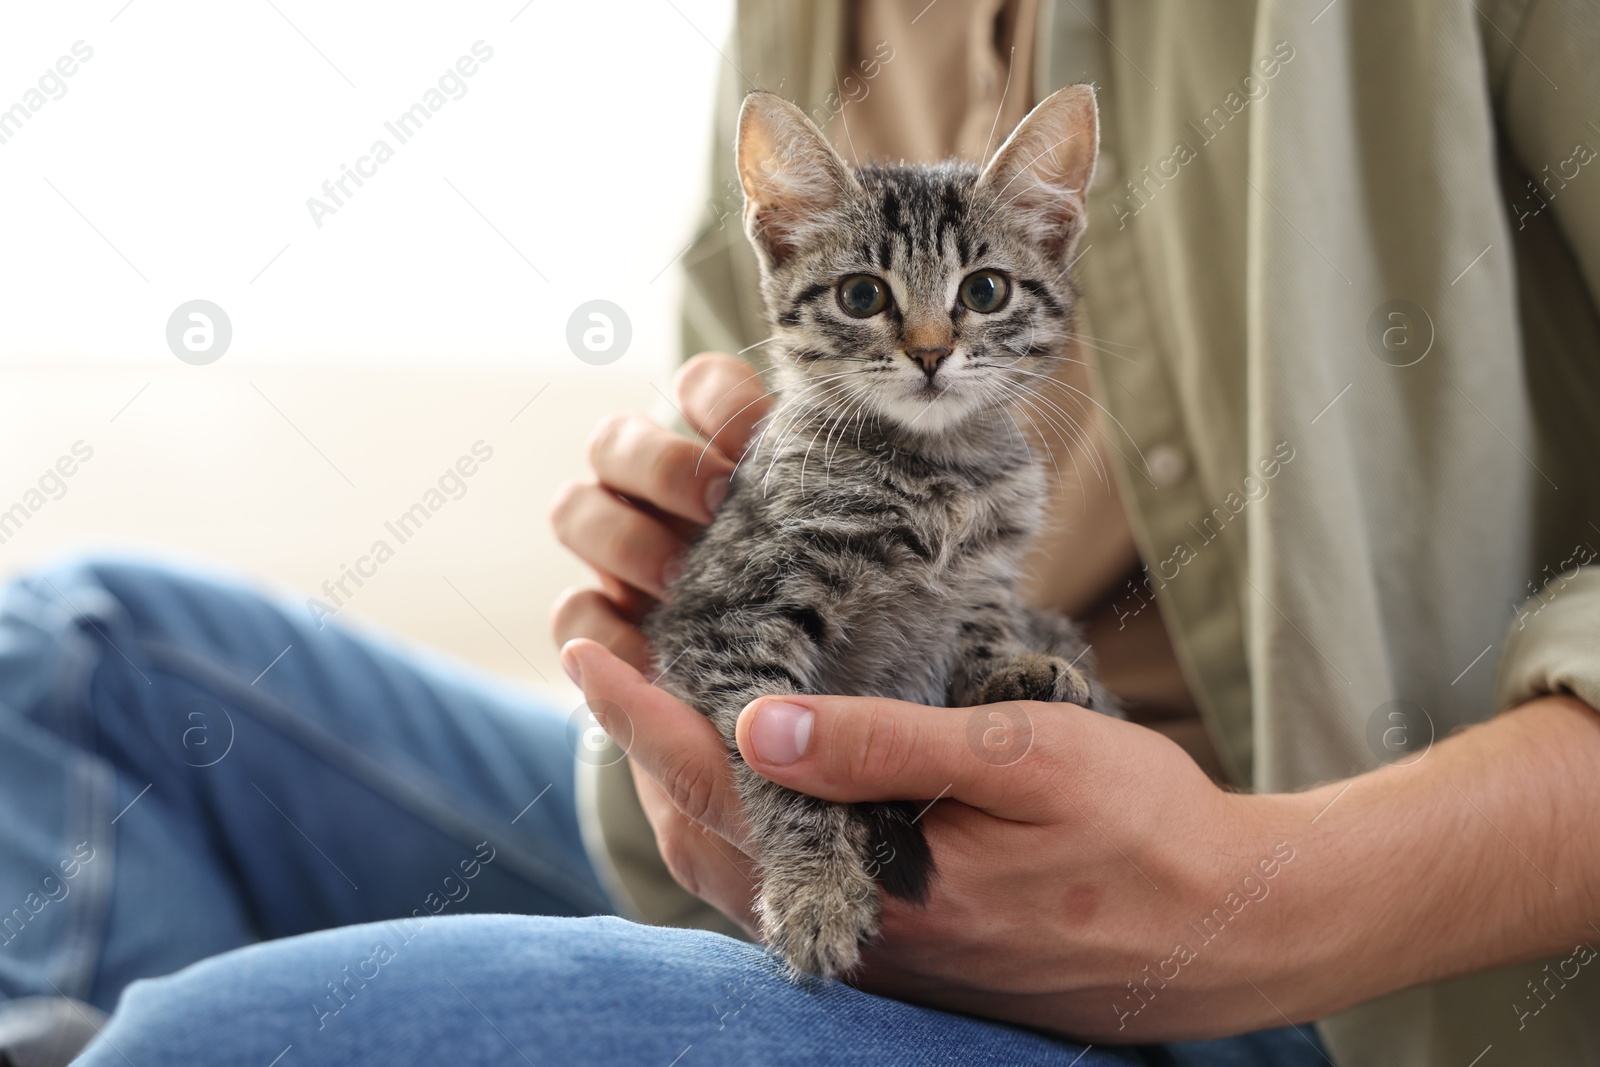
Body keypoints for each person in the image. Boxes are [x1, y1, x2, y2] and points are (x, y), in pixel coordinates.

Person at [0, 4, 1592, 1067]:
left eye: (970, 299)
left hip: (1295, 961)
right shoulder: (803, 39)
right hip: (749, 835)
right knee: (70, 656)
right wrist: (660, 538)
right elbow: (723, 596)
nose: (920, 346)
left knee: (224, 1043)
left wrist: (1262, 901)